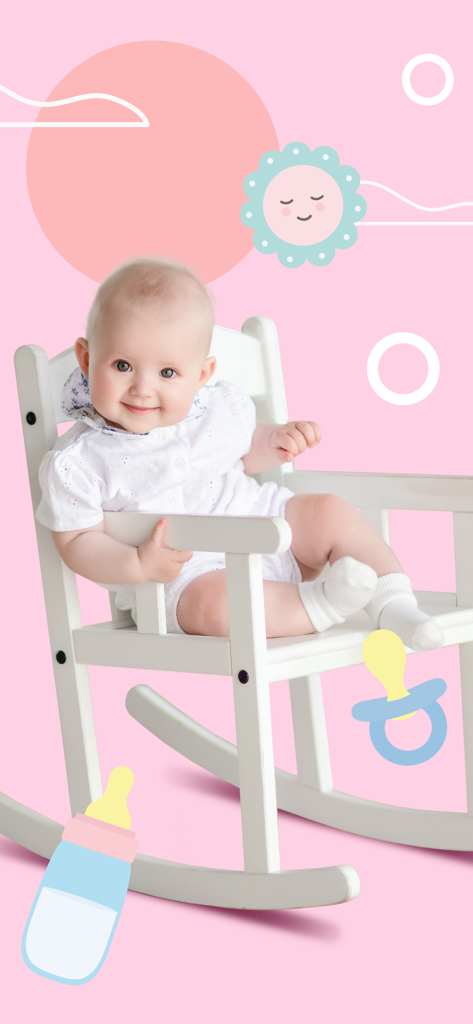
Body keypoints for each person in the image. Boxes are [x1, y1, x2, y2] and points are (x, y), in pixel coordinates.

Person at [36, 258, 444, 651]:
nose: (143, 388)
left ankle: (394, 604)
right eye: (123, 365)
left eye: (167, 373)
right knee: (214, 606)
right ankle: (324, 604)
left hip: (264, 524)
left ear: (201, 376)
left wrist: (276, 440)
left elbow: (243, 447)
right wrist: (138, 564)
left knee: (328, 511)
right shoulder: (81, 461)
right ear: (87, 359)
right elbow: (76, 541)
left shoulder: (213, 410)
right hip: (187, 577)